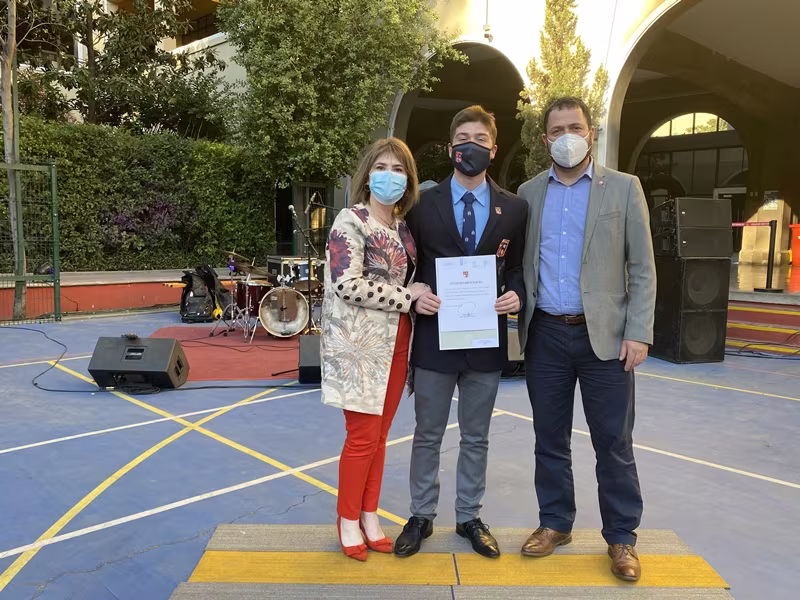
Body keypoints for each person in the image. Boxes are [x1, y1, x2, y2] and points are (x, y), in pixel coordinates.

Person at [516, 96, 656, 581]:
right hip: (546, 335)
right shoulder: (529, 193)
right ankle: (556, 523)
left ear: (590, 133)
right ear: (545, 139)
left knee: (613, 442)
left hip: (607, 338)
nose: (567, 137)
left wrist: (638, 331)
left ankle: (621, 537)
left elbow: (643, 266)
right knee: (549, 438)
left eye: (575, 127)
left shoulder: (623, 187)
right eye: (557, 130)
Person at [395, 106, 528, 558]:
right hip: (435, 337)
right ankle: (421, 515)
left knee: (476, 436)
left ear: (494, 148)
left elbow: (516, 267)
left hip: (485, 339)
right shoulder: (420, 204)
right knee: (427, 434)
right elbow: (407, 266)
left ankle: (469, 515)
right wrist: (413, 294)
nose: (471, 146)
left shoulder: (514, 208)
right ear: (452, 147)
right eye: (463, 138)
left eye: (480, 139)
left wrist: (516, 294)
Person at [320, 137, 429, 561]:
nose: (389, 176)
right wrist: (407, 296)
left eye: (398, 169)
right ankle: (347, 518)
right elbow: (345, 283)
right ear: (367, 175)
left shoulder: (403, 227)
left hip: (398, 340)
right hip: (360, 346)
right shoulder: (351, 221)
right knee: (362, 437)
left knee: (380, 437)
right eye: (381, 167)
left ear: (409, 179)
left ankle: (369, 514)